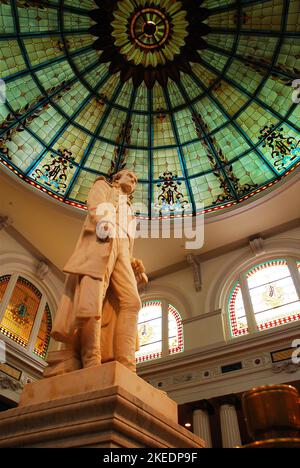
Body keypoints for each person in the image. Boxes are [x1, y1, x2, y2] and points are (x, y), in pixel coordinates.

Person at [44, 169, 147, 378]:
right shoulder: (103, 186)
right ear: (117, 178)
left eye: (136, 180)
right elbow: (95, 207)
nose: (133, 180)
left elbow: (127, 241)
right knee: (93, 298)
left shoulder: (131, 211)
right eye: (130, 176)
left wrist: (133, 261)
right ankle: (92, 359)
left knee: (132, 302)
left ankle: (126, 366)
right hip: (102, 241)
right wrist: (104, 222)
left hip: (122, 250)